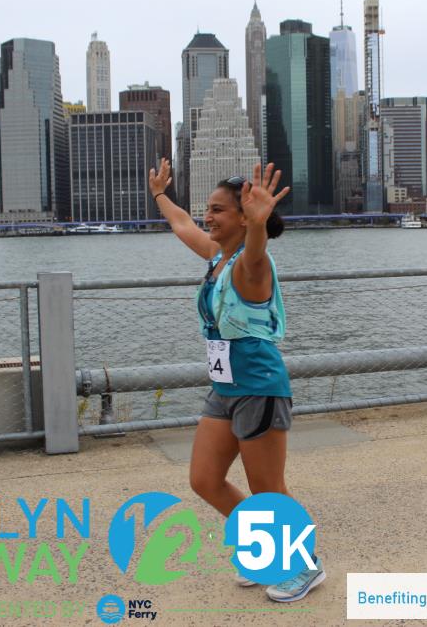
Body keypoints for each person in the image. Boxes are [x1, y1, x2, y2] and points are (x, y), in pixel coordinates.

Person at [148, 158, 325, 603]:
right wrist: (160, 195)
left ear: (244, 218)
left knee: (268, 489)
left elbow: (256, 252)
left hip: (258, 387)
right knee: (205, 480)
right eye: (208, 209)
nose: (207, 217)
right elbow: (183, 225)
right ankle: (270, 548)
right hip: (225, 388)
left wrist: (259, 225)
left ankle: (304, 564)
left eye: (218, 210)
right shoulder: (217, 259)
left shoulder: (251, 267)